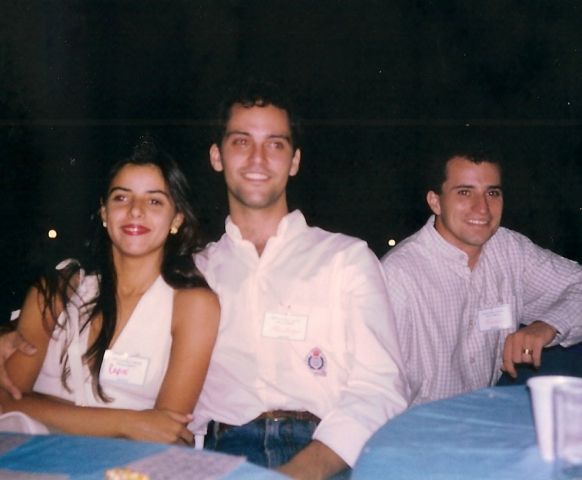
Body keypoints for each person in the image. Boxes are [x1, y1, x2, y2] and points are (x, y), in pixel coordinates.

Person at [187, 79, 409, 479]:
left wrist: (304, 471)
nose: (258, 158)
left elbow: (381, 387)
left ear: (294, 161)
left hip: (326, 452)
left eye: (275, 144)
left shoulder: (346, 259)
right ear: (217, 156)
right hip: (223, 454)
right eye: (241, 142)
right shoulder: (195, 272)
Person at [0, 138, 220, 443]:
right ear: (104, 212)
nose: (135, 211)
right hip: (33, 457)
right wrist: (130, 422)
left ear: (177, 219)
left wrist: (41, 407)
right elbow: (6, 403)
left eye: (154, 201)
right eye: (121, 197)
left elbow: (167, 432)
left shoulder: (192, 305)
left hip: (128, 464)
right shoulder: (57, 290)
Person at [381, 141, 582, 406]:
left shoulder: (509, 250)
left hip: (481, 412)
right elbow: (378, 388)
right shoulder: (398, 276)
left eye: (492, 193)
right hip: (416, 422)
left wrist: (547, 325)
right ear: (435, 201)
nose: (483, 208)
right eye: (465, 192)